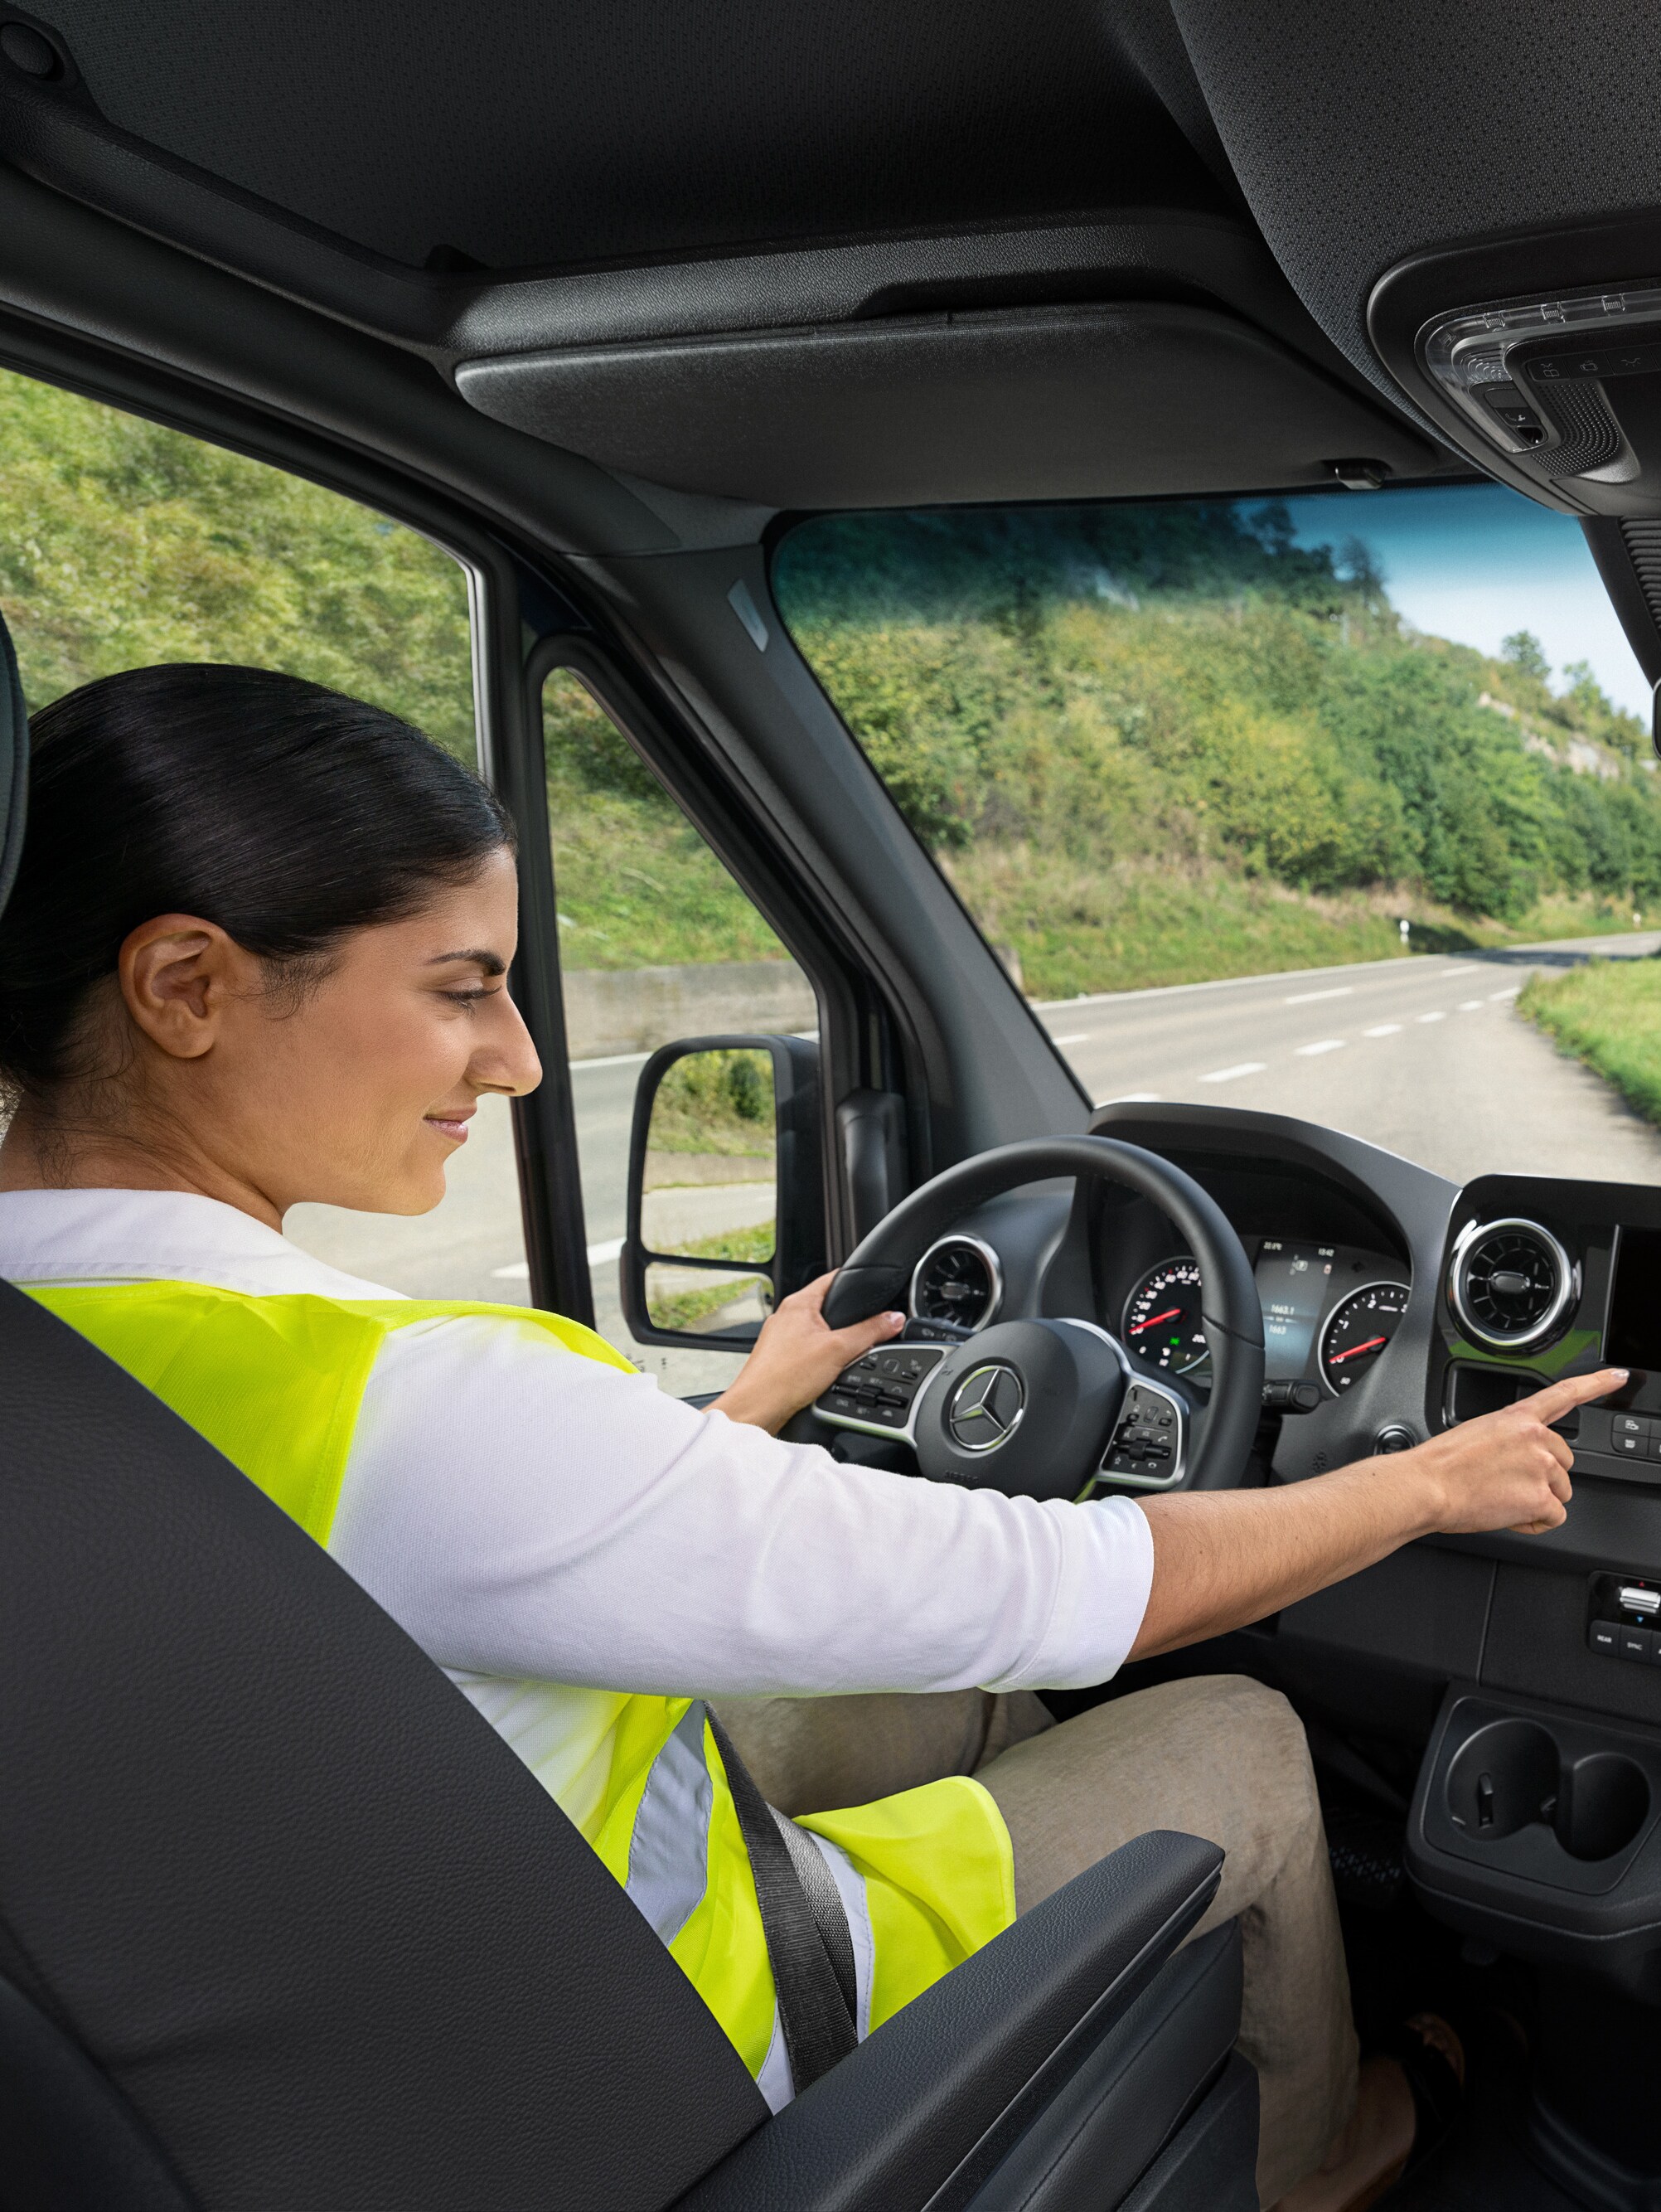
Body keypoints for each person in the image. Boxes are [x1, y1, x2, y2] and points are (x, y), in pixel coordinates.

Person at [0, 663, 1615, 2212]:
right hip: (686, 2047)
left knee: (968, 1685)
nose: (521, 1057)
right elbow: (1090, 1573)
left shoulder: (92, 1373)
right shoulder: (429, 1402)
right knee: (1245, 1735)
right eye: (462, 985)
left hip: (376, 2024)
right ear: (186, 986)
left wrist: (749, 1411)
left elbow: (481, 1536)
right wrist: (1422, 1480)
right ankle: (1324, 2145)